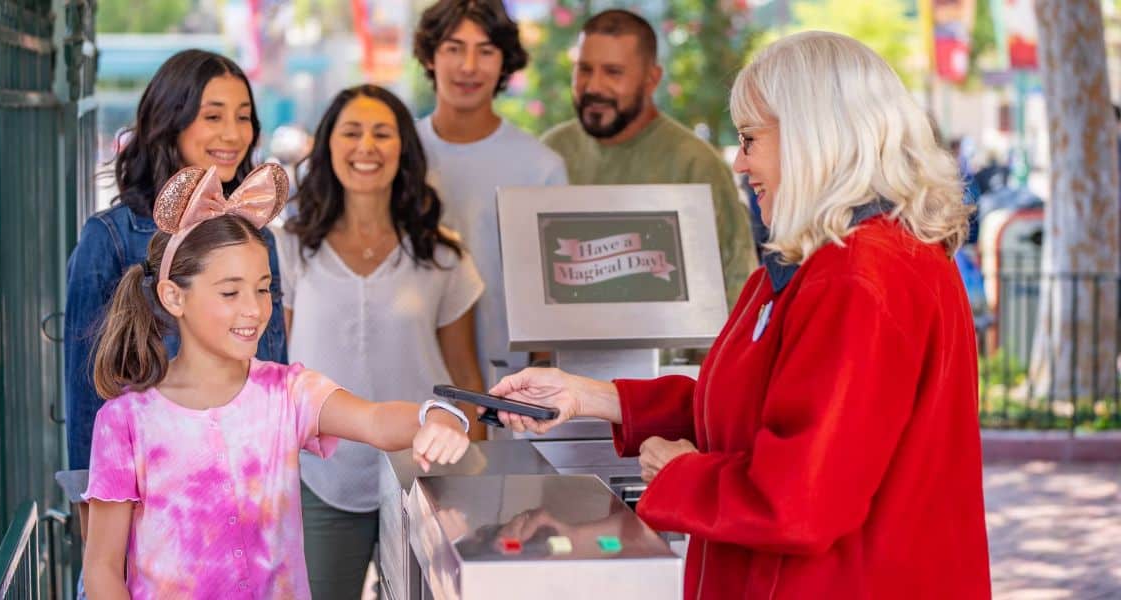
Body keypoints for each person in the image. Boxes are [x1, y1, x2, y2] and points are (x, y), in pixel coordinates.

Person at [491, 31, 990, 598]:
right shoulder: (833, 261)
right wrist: (587, 395)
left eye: (751, 139)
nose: (739, 160)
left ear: (813, 138)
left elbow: (800, 501)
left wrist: (680, 477)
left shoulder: (858, 277)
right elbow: (749, 406)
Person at [81, 163, 470, 599]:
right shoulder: (125, 422)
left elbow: (377, 421)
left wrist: (438, 416)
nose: (254, 309)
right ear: (174, 296)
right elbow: (102, 570)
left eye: (263, 288)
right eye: (230, 292)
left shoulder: (288, 392)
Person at [63, 48, 289, 545]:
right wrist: (96, 538)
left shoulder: (259, 238)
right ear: (170, 122)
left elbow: (274, 370)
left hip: (249, 502)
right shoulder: (110, 238)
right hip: (154, 513)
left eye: (243, 117)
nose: (233, 134)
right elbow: (86, 400)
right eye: (213, 116)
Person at [276, 84, 485, 599]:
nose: (365, 146)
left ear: (403, 150)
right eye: (351, 132)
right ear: (327, 146)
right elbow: (274, 373)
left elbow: (466, 381)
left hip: (428, 476)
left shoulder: (442, 256)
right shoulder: (291, 249)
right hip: (320, 479)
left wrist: (475, 487)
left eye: (382, 133)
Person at [540, 9, 756, 309]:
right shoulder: (552, 152)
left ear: (651, 79)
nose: (593, 86)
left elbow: (738, 285)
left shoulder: (695, 164)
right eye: (584, 69)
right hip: (567, 354)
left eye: (613, 72)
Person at [412, 0, 568, 382]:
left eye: (485, 51)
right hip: (410, 372)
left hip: (505, 384)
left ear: (504, 62)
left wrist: (541, 380)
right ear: (430, 57)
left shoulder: (540, 167)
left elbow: (553, 297)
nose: (468, 66)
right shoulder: (400, 156)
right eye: (453, 48)